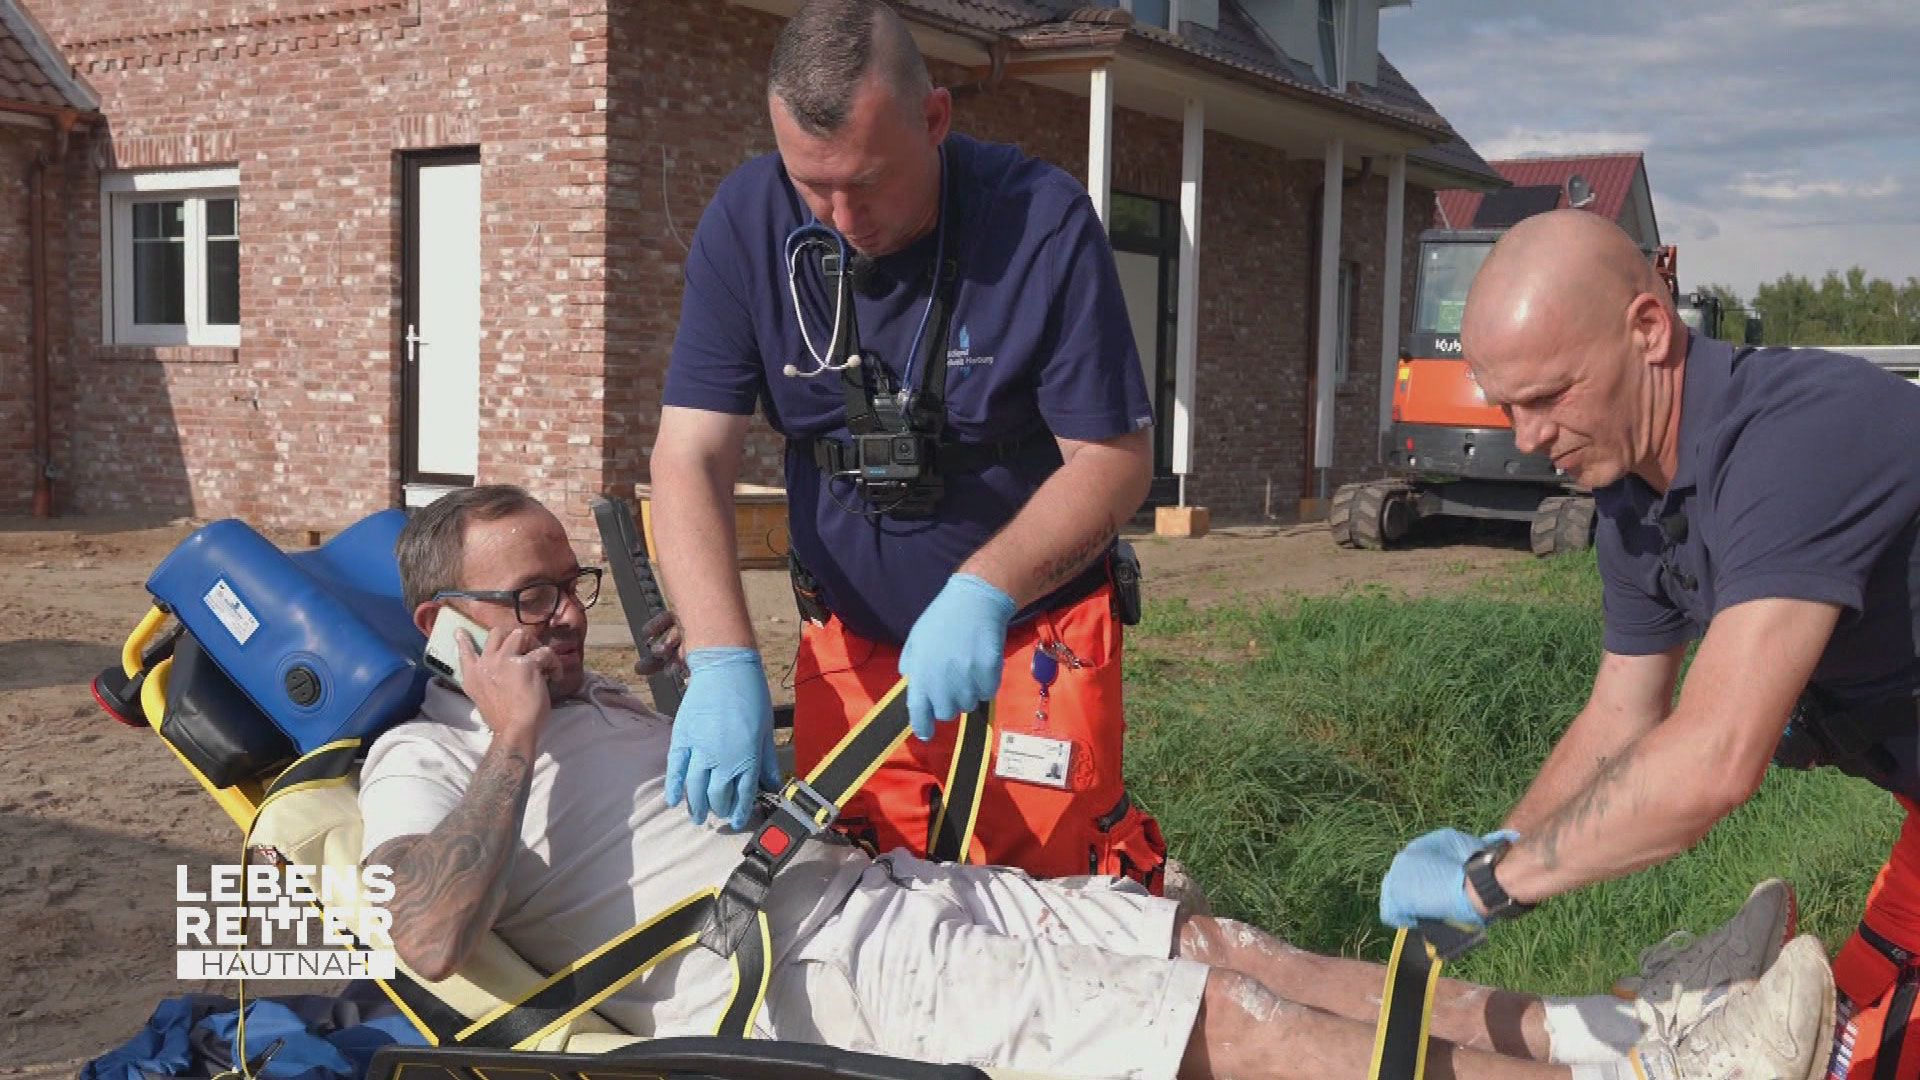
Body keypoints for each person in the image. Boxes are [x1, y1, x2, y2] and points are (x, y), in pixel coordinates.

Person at [357, 485, 1835, 1080]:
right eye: (534, 597)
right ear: (447, 627)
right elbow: (423, 935)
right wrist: (508, 734)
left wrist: (674, 703)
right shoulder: (428, 756)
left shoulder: (596, 695)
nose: (567, 616)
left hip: (892, 900)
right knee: (1233, 1027)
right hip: (813, 985)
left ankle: (1628, 1028)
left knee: (1228, 945)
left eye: (568, 587)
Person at [1376, 208, 1920, 1074]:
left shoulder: (1793, 443)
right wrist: (1497, 851)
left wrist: (1491, 886)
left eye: (1550, 396)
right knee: (1849, 1047)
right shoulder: (1633, 505)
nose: (1528, 438)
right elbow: (1621, 717)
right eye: (1508, 406)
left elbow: (1712, 759)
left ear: (1650, 328)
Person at [648, 0, 1164, 887]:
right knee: (861, 900)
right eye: (814, 186)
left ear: (933, 120)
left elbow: (1116, 461)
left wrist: (985, 590)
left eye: (867, 180)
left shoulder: (1039, 224)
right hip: (852, 644)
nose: (842, 219)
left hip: (1029, 642)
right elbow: (689, 455)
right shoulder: (747, 223)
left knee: (1050, 907)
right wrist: (722, 658)